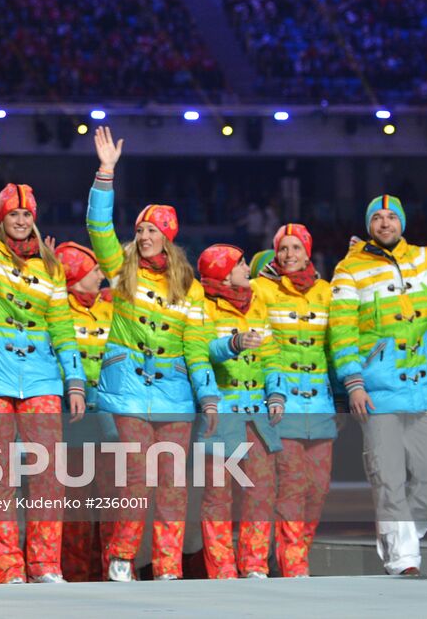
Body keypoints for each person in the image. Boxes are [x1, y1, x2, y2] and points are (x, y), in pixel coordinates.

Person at [329, 183, 427, 575]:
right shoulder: (350, 269)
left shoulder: (424, 259)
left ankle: (402, 537)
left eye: (392, 216)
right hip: (378, 391)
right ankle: (404, 560)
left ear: (403, 222)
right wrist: (353, 383)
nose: (385, 222)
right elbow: (342, 332)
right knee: (389, 478)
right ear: (369, 225)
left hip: (426, 390)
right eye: (378, 217)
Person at [86, 126, 218, 582]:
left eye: (152, 230)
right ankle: (122, 557)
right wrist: (106, 174)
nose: (143, 236)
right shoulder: (121, 268)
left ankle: (166, 567)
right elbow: (98, 228)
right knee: (135, 480)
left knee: (173, 487)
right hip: (125, 392)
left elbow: (197, 346)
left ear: (167, 236)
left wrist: (209, 397)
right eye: (140, 229)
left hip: (176, 398)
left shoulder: (190, 287)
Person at [0, 184, 85, 584]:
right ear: (0, 217)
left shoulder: (51, 267)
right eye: (13, 213)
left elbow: (63, 327)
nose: (20, 220)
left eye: (27, 214)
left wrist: (75, 381)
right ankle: (9, 567)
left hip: (41, 381)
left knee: (48, 477)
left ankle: (46, 566)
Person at [194, 244, 282, 580]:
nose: (247, 268)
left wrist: (276, 393)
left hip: (257, 416)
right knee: (218, 494)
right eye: (242, 263)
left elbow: (271, 354)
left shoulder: (256, 303)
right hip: (221, 415)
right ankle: (222, 568)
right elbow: (200, 351)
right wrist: (231, 345)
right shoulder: (202, 305)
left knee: (260, 490)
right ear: (224, 271)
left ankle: (255, 564)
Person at [255, 223, 335, 577]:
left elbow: (339, 345)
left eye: (295, 248)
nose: (288, 255)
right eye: (282, 249)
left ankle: (293, 556)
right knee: (291, 486)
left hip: (320, 409)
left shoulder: (327, 292)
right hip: (282, 407)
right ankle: (294, 565)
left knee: (317, 490)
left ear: (308, 251)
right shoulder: (264, 290)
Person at [54, 242, 114, 582]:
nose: (100, 275)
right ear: (76, 277)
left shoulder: (110, 308)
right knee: (75, 506)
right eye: (93, 271)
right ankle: (75, 575)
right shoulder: (59, 311)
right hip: (71, 422)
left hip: (105, 421)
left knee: (111, 502)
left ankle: (109, 573)